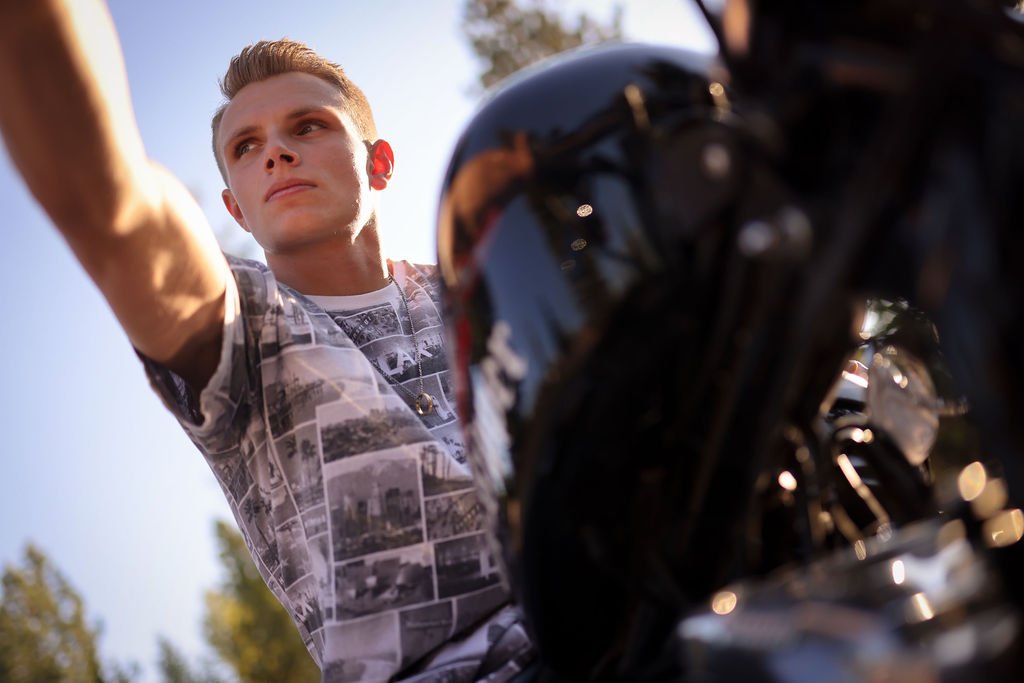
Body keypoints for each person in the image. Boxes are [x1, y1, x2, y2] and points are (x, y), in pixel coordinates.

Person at [0, 0, 533, 680]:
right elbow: (116, 208)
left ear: (379, 164)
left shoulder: (489, 287)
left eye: (308, 126)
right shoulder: (238, 329)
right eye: (245, 147)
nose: (276, 151)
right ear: (234, 207)